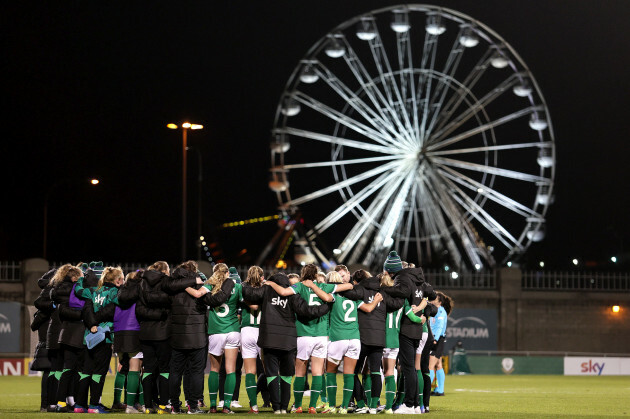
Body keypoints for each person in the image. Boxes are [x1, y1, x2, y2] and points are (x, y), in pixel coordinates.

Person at [267, 263, 351, 414]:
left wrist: (271, 283)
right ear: (316, 273)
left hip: (303, 335)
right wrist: (318, 288)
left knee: (300, 372)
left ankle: (298, 406)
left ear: (303, 273)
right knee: (318, 372)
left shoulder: (299, 286)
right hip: (321, 335)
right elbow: (348, 287)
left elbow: (284, 292)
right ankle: (312, 406)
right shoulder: (324, 287)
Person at [242, 272, 330, 414]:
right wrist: (327, 307)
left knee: (271, 374)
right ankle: (284, 407)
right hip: (288, 341)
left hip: (269, 340)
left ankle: (276, 407)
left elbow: (249, 295)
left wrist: (244, 283)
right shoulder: (292, 294)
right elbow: (307, 311)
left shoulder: (267, 289)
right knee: (286, 375)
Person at [340, 270, 404, 414]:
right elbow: (397, 304)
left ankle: (361, 403)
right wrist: (406, 293)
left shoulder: (360, 290)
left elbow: (346, 294)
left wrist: (340, 285)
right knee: (376, 371)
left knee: (353, 372)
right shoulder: (383, 294)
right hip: (379, 339)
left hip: (362, 338)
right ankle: (374, 406)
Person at [380, 251, 436, 414]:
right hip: (417, 329)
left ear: (391, 270)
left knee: (409, 368)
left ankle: (410, 404)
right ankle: (418, 405)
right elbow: (430, 294)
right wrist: (420, 308)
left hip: (407, 328)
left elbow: (402, 292)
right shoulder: (417, 279)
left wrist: (385, 290)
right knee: (414, 367)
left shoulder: (403, 278)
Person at [161, 261, 208, 414]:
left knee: (175, 372)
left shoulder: (172, 286)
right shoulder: (199, 282)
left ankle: (174, 405)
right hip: (197, 336)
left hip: (177, 336)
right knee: (196, 372)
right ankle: (193, 406)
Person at [76, 266, 122, 413]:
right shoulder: (114, 292)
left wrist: (81, 278)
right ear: (117, 280)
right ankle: (94, 405)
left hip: (88, 337)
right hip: (105, 337)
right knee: (99, 372)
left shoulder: (92, 290)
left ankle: (79, 405)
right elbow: (119, 306)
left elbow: (78, 291)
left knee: (86, 371)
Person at [196, 263, 240, 414]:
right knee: (230, 370)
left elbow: (200, 296)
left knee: (214, 370)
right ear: (228, 273)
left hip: (216, 332)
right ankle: (227, 406)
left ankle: (213, 406)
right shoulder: (236, 287)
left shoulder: (209, 287)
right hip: (233, 330)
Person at [136, 261, 172, 414]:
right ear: (164, 271)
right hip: (163, 333)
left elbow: (139, 310)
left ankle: (148, 406)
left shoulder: (141, 284)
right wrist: (161, 315)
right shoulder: (167, 284)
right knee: (164, 370)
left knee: (148, 369)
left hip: (145, 333)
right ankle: (163, 406)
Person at [50, 264, 85, 413]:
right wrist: (85, 314)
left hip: (66, 333)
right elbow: (68, 312)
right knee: (73, 370)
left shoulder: (59, 291)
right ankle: (70, 403)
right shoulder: (73, 291)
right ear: (75, 278)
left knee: (69, 370)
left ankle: (63, 403)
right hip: (75, 333)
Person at [240, 266, 265, 413]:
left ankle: (253, 406)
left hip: (247, 330)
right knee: (270, 370)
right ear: (262, 277)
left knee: (250, 371)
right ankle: (277, 404)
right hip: (263, 331)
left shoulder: (242, 288)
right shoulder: (266, 288)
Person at [32, 268, 57, 412]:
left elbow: (34, 324)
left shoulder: (45, 296)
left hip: (45, 339)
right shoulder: (51, 295)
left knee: (49, 373)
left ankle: (46, 405)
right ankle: (50, 404)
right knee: (53, 372)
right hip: (51, 339)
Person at [429, 291, 453, 398]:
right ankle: (440, 389)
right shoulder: (434, 310)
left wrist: (435, 339)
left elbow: (439, 327)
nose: (432, 299)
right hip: (434, 338)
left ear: (439, 302)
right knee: (438, 365)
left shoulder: (441, 312)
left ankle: (425, 389)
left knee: (430, 365)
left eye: (434, 298)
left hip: (437, 340)